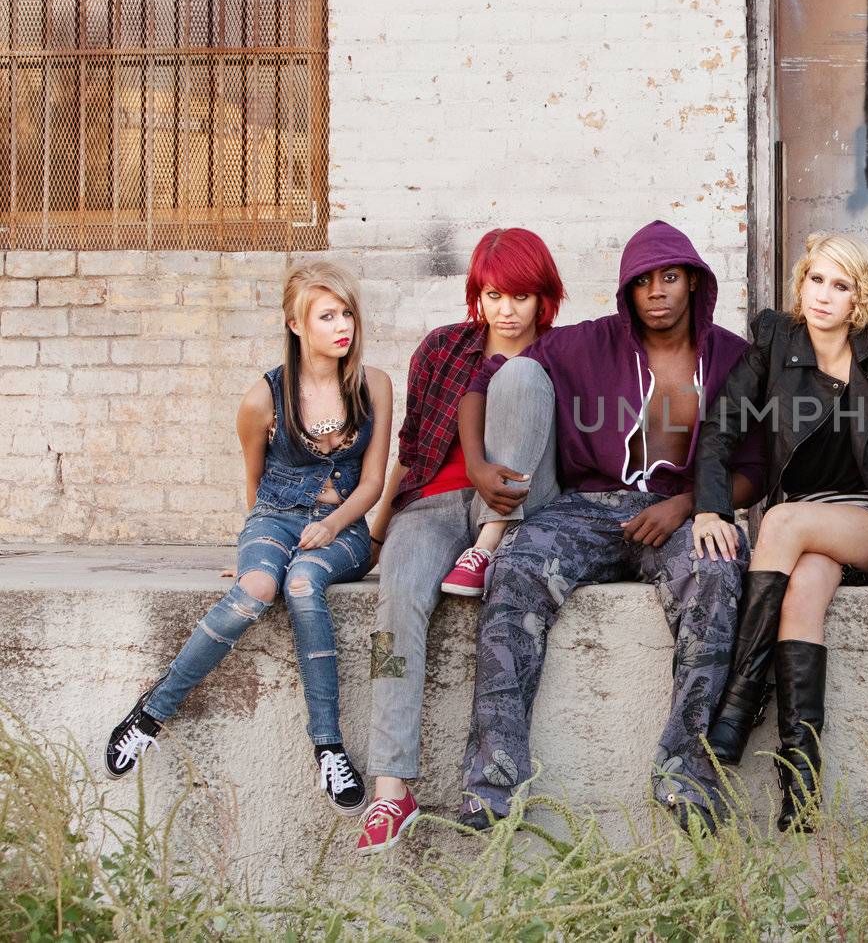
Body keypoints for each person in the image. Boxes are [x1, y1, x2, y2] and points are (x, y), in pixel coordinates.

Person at [460, 219, 766, 834]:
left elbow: (756, 470)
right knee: (517, 569)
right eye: (644, 281)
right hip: (588, 508)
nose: (657, 292)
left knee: (715, 571)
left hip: (685, 512)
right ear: (627, 290)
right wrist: (476, 463)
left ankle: (685, 774)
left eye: (671, 278)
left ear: (694, 284)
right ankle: (493, 786)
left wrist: (685, 505)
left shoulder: (733, 358)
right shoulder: (585, 345)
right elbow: (482, 384)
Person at [693, 233, 868, 831]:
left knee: (780, 519)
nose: (824, 295)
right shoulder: (774, 343)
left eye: (840, 285)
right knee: (800, 597)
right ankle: (801, 783)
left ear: (859, 297)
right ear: (801, 285)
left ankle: (737, 709)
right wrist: (709, 509)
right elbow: (719, 429)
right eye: (815, 280)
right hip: (802, 529)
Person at [105, 262, 392, 818]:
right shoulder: (263, 397)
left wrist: (331, 526)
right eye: (327, 315)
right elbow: (255, 485)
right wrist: (256, 551)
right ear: (295, 325)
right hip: (275, 518)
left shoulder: (373, 384)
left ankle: (328, 747)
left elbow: (375, 483)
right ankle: (151, 713)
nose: (343, 326)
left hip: (346, 527)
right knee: (257, 587)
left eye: (347, 313)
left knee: (305, 583)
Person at [357, 228, 565, 854]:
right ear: (478, 292)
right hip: (433, 505)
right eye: (495, 294)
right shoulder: (444, 348)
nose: (506, 309)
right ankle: (392, 789)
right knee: (394, 610)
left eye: (521, 296)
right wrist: (377, 530)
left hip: (522, 499)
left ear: (543, 298)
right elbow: (411, 450)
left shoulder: (565, 353)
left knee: (520, 380)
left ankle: (492, 542)